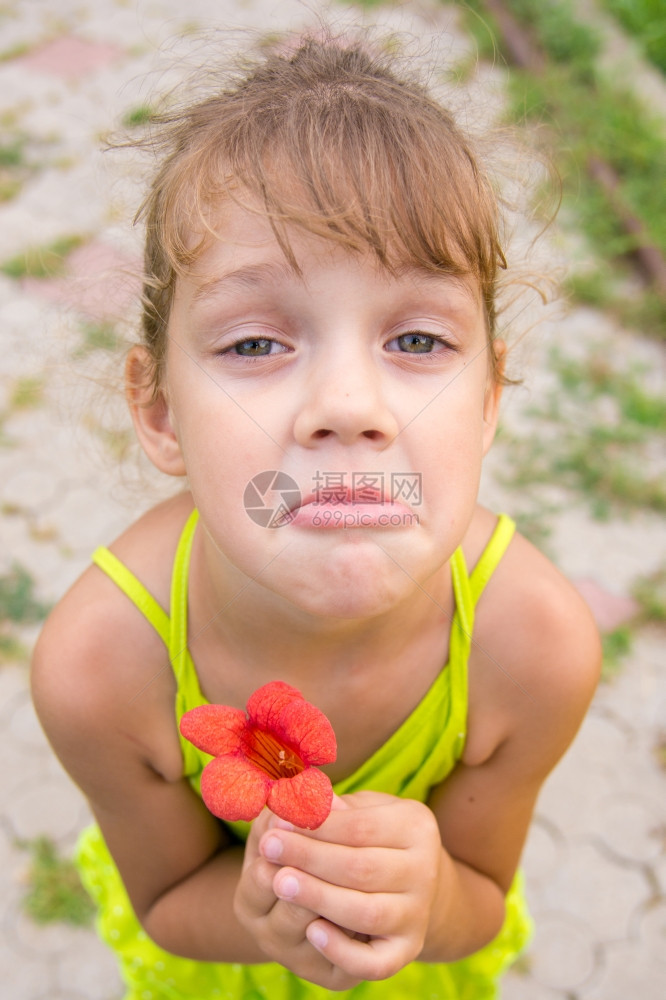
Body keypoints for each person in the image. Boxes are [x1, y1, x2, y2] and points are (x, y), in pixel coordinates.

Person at [31, 29, 601, 1000]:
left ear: (490, 400)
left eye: (417, 338)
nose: (349, 405)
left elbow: (483, 899)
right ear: (160, 411)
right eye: (255, 343)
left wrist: (430, 903)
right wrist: (262, 915)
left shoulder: (535, 649)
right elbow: (168, 900)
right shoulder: (99, 669)